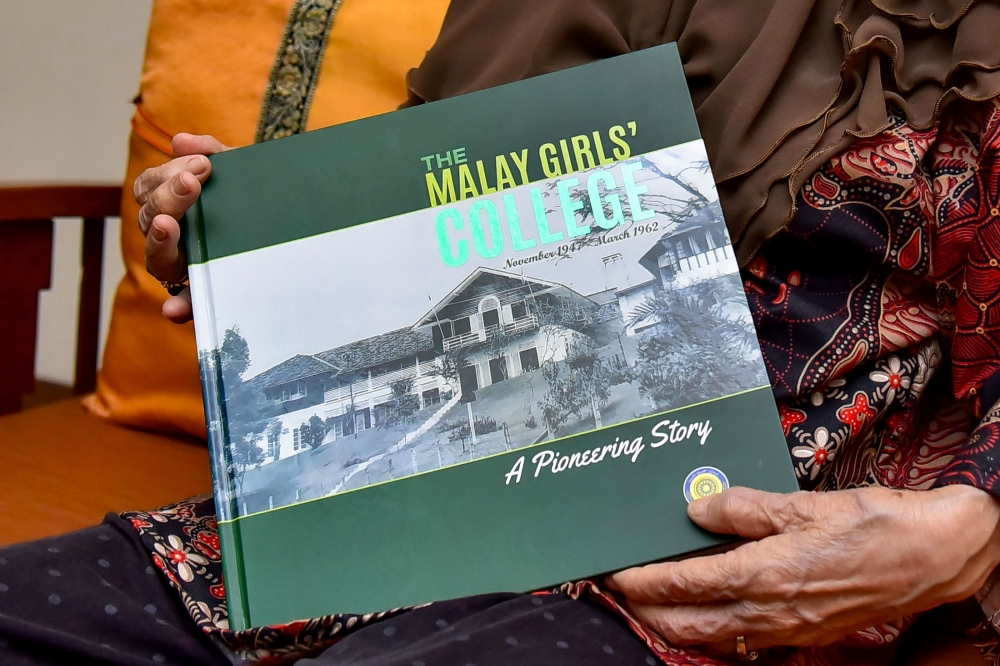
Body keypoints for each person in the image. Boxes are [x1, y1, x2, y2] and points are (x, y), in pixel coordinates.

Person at [5, 0, 1000, 664]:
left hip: (733, 574)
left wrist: (975, 522)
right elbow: (442, 210)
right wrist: (254, 243)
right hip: (412, 519)